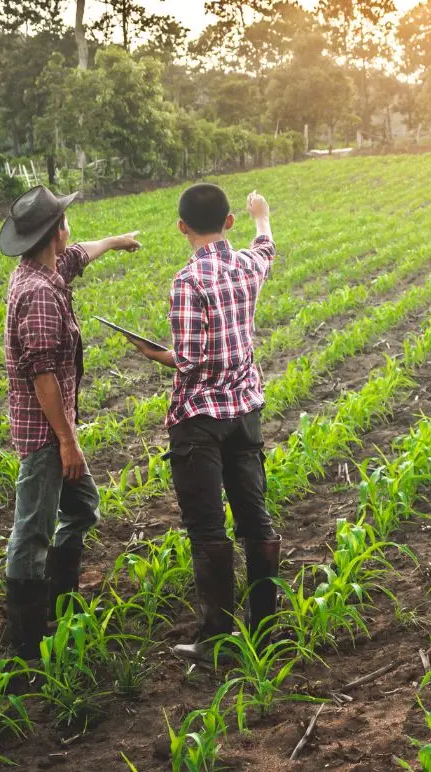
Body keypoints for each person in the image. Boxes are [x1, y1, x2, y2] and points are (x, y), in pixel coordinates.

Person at [130, 184, 280, 660]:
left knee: (208, 529)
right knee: (254, 515)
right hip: (245, 412)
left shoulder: (187, 282)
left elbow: (189, 361)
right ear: (229, 222)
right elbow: (267, 247)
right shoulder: (246, 265)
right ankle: (265, 627)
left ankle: (217, 637)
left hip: (198, 419)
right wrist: (262, 215)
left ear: (181, 228)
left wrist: (154, 354)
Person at [0, 185, 140, 657]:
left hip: (54, 432)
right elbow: (43, 379)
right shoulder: (39, 294)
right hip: (46, 435)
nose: (70, 229)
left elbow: (82, 253)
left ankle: (63, 603)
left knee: (80, 509)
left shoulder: (48, 268)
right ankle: (25, 640)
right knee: (32, 530)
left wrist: (118, 240)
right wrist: (67, 442)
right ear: (55, 231)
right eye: (65, 220)